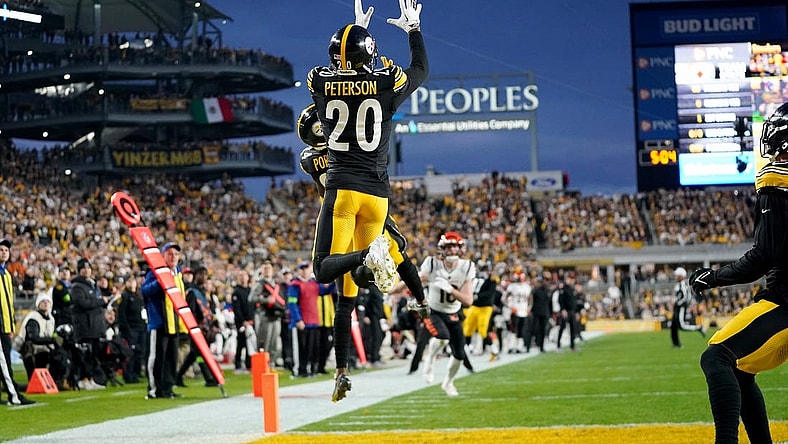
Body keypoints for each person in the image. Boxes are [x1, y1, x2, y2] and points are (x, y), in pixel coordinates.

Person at [306, 0, 428, 402]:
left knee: (326, 270)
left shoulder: (319, 82)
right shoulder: (385, 81)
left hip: (343, 190)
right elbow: (419, 71)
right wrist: (412, 30)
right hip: (377, 194)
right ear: (372, 54)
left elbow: (335, 74)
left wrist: (351, 40)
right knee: (349, 294)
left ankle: (365, 260)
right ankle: (342, 370)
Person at [689, 102, 788, 444]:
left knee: (718, 356)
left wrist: (714, 277)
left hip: (786, 302)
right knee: (742, 370)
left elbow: (764, 255)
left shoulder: (778, 180)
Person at [297, 103, 429, 320]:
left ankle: (342, 353)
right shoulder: (344, 147)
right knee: (398, 252)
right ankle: (421, 300)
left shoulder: (308, 159)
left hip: (338, 212)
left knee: (335, 281)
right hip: (363, 200)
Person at [420, 231, 476, 397]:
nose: (452, 250)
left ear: (460, 248)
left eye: (455, 247)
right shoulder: (431, 264)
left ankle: (448, 382)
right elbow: (415, 280)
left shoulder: (467, 267)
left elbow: (468, 301)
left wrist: (450, 289)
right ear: (442, 249)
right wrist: (392, 290)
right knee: (443, 338)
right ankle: (429, 360)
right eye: (449, 247)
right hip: (435, 311)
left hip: (453, 312)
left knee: (459, 354)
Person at [141, 242, 184, 399]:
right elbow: (144, 291)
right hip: (159, 321)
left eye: (176, 254)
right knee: (157, 357)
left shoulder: (178, 273)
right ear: (163, 256)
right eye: (170, 254)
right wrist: (160, 282)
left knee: (171, 358)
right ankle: (154, 389)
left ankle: (168, 387)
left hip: (174, 322)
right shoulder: (156, 272)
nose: (173, 257)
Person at [0, 238, 35, 405]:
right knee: (4, 362)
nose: (4, 252)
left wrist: (10, 325)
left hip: (5, 326)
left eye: (6, 250)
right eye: (1, 250)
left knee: (3, 360)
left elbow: (8, 303)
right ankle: (14, 395)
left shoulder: (6, 274)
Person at [176, 266, 218, 387]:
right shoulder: (192, 291)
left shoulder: (201, 291)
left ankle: (178, 377)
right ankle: (209, 378)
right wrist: (196, 325)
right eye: (201, 274)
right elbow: (190, 310)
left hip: (203, 327)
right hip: (196, 327)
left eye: (205, 274)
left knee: (195, 354)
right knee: (199, 353)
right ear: (196, 275)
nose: (204, 277)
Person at [71, 257, 107, 390]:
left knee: (93, 356)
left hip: (95, 326)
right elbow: (82, 303)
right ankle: (83, 379)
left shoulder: (93, 285)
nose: (86, 270)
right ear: (79, 270)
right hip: (85, 326)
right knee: (85, 355)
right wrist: (100, 301)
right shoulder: (77, 287)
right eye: (83, 268)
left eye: (88, 268)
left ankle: (91, 379)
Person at [249, 260, 286, 368]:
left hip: (276, 316)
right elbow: (252, 298)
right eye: (265, 268)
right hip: (264, 316)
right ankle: (263, 366)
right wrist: (265, 300)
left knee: (275, 342)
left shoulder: (275, 284)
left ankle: (272, 364)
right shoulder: (259, 284)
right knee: (264, 341)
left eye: (269, 268)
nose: (267, 270)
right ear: (262, 270)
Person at [287, 261, 321, 377]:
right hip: (302, 322)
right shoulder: (295, 285)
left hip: (314, 321)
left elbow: (326, 290)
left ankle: (310, 369)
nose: (305, 270)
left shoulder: (314, 284)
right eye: (303, 268)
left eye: (307, 268)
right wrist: (298, 319)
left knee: (312, 348)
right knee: (300, 348)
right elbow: (292, 304)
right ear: (299, 271)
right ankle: (299, 370)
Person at [463, 261, 500, 360]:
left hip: (485, 307)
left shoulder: (492, 280)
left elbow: (489, 293)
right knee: (467, 328)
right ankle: (465, 350)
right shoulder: (473, 278)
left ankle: (494, 350)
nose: (482, 270)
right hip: (474, 306)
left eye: (484, 268)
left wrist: (477, 296)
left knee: (483, 330)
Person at [18, 292, 56, 382]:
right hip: (30, 351)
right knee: (35, 380)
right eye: (43, 301)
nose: (45, 303)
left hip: (43, 348)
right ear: (38, 304)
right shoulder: (33, 318)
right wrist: (53, 340)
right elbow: (34, 339)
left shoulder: (51, 318)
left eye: (47, 301)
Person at [117, 276, 145, 384]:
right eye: (129, 281)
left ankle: (136, 373)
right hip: (131, 329)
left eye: (133, 281)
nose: (132, 283)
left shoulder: (139, 296)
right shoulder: (124, 297)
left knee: (139, 352)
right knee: (130, 353)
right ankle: (129, 375)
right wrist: (126, 329)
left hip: (141, 327)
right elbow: (122, 315)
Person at [670, 267, 705, 348]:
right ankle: (676, 344)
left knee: (682, 326)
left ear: (681, 276)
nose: (675, 277)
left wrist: (678, 303)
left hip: (681, 307)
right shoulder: (678, 285)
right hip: (678, 307)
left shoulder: (683, 285)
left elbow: (686, 297)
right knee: (673, 326)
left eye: (677, 275)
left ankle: (699, 328)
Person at [231, 269, 255, 374]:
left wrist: (252, 319)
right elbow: (237, 308)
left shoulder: (250, 290)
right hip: (241, 322)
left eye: (244, 275)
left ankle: (249, 363)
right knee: (241, 342)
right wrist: (243, 321)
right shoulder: (236, 291)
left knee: (250, 342)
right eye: (240, 275)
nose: (243, 277)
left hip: (251, 321)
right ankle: (237, 363)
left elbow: (253, 306)